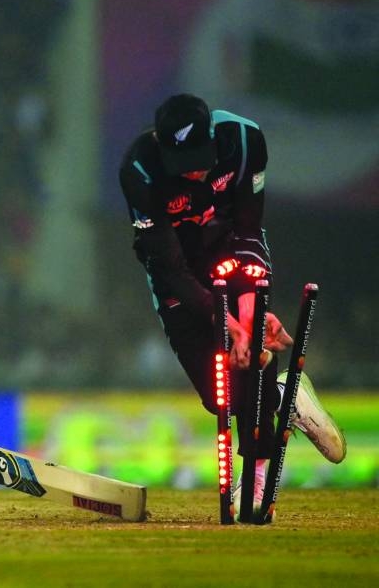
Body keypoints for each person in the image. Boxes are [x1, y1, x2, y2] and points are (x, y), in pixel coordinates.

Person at [118, 93, 346, 507]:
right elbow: (169, 266)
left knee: (251, 359)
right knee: (218, 397)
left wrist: (249, 315)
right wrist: (224, 321)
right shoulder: (139, 170)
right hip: (178, 276)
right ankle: (284, 397)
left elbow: (249, 229)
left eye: (200, 160)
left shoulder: (244, 140)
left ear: (211, 136)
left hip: (233, 254)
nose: (195, 172)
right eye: (184, 165)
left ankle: (255, 480)